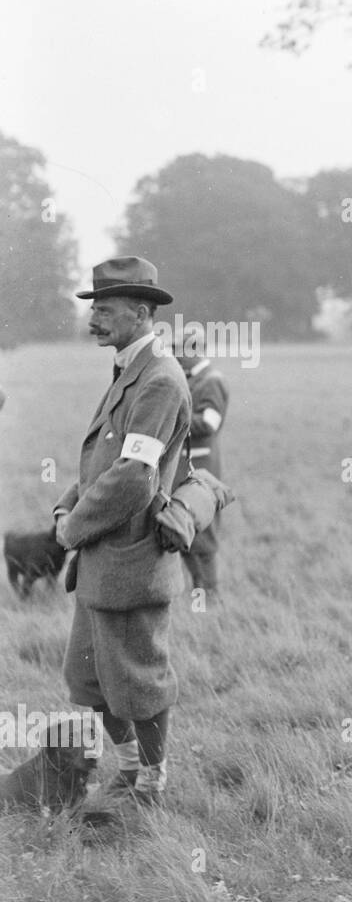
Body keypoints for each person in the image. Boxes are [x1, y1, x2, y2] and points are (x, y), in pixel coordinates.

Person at [53, 257, 191, 811]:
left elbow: (135, 477)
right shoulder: (128, 368)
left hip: (131, 559)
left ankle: (153, 782)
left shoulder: (159, 379)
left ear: (140, 313)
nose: (94, 320)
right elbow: (105, 458)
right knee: (89, 679)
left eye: (105, 311)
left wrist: (71, 529)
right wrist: (68, 504)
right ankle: (130, 770)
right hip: (100, 558)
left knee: (138, 681)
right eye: (94, 310)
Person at [175, 326, 230, 601]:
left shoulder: (211, 380)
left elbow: (209, 423)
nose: (174, 356)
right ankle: (200, 596)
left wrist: (173, 424)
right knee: (184, 533)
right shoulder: (190, 379)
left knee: (203, 538)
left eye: (179, 350)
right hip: (185, 468)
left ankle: (210, 598)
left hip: (202, 469)